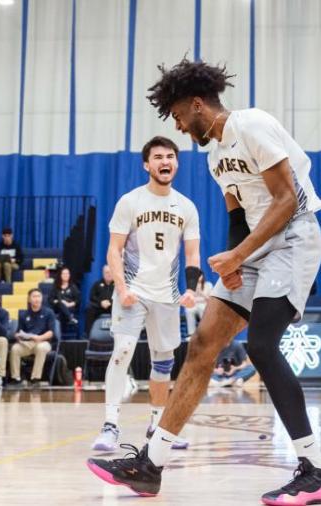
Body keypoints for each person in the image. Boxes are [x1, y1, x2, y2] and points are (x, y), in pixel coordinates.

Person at [87, 59, 321, 505]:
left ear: (198, 105)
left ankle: (316, 470)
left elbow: (286, 199)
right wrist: (234, 262)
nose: (181, 128)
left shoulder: (252, 125)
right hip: (257, 248)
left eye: (180, 117)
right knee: (202, 345)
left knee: (262, 346)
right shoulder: (215, 155)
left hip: (295, 238)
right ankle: (151, 464)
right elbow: (238, 215)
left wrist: (239, 254)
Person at [90, 136, 201, 453]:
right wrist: (122, 289)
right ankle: (110, 425)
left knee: (163, 362)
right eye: (158, 157)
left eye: (170, 156)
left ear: (176, 162)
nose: (165, 162)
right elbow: (114, 249)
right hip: (133, 293)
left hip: (166, 295)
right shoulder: (130, 201)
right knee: (122, 350)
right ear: (146, 164)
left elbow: (192, 255)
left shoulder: (186, 207)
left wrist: (190, 289)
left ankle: (157, 426)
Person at [9, 288, 55, 387]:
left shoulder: (49, 313)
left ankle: (35, 378)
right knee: (15, 349)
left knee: (40, 348)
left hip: (43, 342)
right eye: (34, 296)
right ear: (29, 299)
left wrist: (40, 338)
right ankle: (16, 378)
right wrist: (18, 336)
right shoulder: (23, 314)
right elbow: (18, 332)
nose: (36, 299)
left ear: (42, 298)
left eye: (39, 296)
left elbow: (51, 332)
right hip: (28, 343)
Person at [85, 265, 115, 334]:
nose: (109, 274)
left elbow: (120, 296)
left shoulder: (117, 284)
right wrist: (101, 302)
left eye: (110, 272)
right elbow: (92, 297)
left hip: (113, 307)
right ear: (103, 273)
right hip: (100, 307)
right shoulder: (97, 284)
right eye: (107, 272)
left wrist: (110, 302)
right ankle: (88, 334)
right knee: (90, 309)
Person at [184, 271, 213, 336]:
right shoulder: (191, 286)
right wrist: (201, 299)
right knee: (188, 310)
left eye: (199, 276)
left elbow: (210, 299)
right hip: (194, 304)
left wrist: (201, 293)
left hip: (204, 305)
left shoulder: (208, 285)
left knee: (202, 309)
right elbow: (190, 298)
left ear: (202, 276)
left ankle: (205, 332)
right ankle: (191, 334)